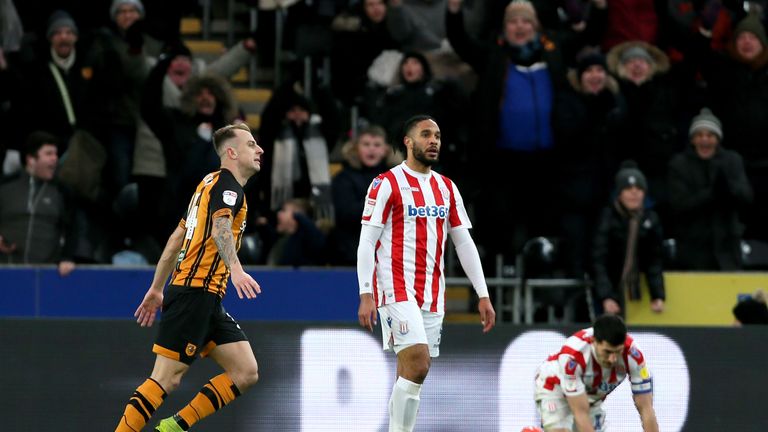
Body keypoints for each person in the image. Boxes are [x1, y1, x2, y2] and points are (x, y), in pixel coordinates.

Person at [114, 123, 264, 432]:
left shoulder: (206, 185)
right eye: (251, 145)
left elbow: (176, 238)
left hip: (205, 298)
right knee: (166, 378)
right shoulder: (228, 187)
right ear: (232, 152)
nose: (259, 149)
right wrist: (236, 270)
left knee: (245, 371)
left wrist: (157, 288)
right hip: (195, 292)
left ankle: (174, 426)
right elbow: (220, 228)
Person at [357, 115, 496, 432]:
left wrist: (483, 294)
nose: (434, 141)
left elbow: (463, 242)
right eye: (425, 135)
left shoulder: (447, 188)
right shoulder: (386, 183)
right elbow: (367, 241)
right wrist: (366, 292)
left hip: (432, 292)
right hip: (394, 287)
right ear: (408, 141)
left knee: (410, 368)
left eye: (437, 135)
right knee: (418, 363)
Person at [534, 314, 659, 432]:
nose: (613, 359)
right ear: (594, 341)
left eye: (618, 351)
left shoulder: (633, 355)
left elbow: (646, 408)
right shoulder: (573, 357)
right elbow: (580, 412)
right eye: (607, 352)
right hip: (554, 387)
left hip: (590, 397)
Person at [667, 108, 753, 270]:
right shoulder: (679, 164)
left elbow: (747, 196)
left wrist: (729, 189)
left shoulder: (732, 160)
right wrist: (710, 194)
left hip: (727, 250)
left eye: (710, 135)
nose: (704, 140)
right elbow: (679, 205)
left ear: (718, 139)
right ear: (692, 139)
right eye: (699, 135)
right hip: (693, 251)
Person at [592, 161, 665, 316]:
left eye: (639, 189)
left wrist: (657, 294)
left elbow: (654, 260)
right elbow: (598, 260)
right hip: (608, 290)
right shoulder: (607, 218)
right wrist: (606, 297)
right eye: (628, 188)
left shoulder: (650, 220)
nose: (634, 193)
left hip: (634, 293)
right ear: (619, 193)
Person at [0, 131, 77, 276]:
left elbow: (73, 230)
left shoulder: (63, 191)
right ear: (31, 159)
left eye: (56, 154)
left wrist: (67, 258)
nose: (55, 158)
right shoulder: (5, 185)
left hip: (45, 276)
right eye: (48, 154)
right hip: (5, 274)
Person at [331, 125, 399, 265]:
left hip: (391, 254)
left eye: (377, 144)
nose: (371, 148)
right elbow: (345, 215)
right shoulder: (343, 178)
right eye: (366, 144)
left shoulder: (398, 177)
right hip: (352, 253)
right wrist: (379, 203)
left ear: (385, 150)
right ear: (356, 148)